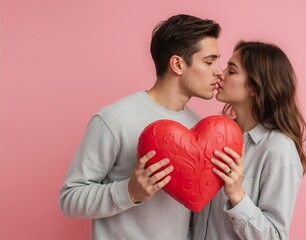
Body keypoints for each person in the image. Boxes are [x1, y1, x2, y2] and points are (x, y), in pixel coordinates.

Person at [59, 14, 222, 240]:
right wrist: (129, 191)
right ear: (177, 64)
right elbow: (70, 199)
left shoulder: (199, 130)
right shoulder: (114, 119)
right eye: (209, 61)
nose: (219, 71)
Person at [193, 41, 306, 240]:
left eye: (232, 70)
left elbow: (275, 237)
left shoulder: (278, 150)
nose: (220, 74)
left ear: (254, 87)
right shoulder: (216, 136)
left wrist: (237, 195)